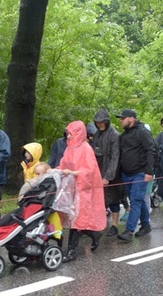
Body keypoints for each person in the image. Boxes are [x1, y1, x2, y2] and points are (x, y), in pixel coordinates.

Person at [59, 120, 106, 262]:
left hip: (84, 190)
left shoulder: (86, 149)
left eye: (71, 134)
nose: (68, 137)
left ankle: (71, 251)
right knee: (75, 220)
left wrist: (74, 173)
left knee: (76, 220)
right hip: (72, 189)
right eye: (67, 134)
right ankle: (94, 234)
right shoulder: (69, 149)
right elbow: (63, 165)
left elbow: (90, 170)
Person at [116, 109, 156, 242]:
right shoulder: (123, 136)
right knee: (137, 200)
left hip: (140, 173)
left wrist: (149, 172)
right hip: (126, 174)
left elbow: (151, 150)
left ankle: (129, 230)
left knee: (135, 201)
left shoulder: (143, 132)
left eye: (123, 118)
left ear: (131, 119)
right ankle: (145, 225)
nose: (120, 121)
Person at [92, 108, 124, 237]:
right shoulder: (97, 135)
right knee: (99, 200)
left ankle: (115, 225)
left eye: (102, 122)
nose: (100, 124)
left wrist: (108, 177)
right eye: (97, 122)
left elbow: (115, 157)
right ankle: (98, 224)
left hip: (112, 174)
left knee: (113, 200)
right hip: (98, 170)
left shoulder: (114, 135)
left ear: (106, 122)